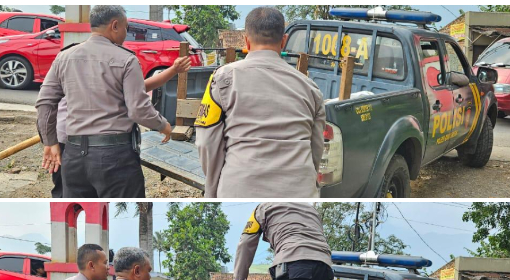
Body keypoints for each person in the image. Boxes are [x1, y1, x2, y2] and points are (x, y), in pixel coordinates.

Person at [36, 5, 172, 198]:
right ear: (114, 25)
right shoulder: (126, 60)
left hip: (73, 157)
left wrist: (50, 142)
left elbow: (45, 103)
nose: (126, 33)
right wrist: (163, 125)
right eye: (126, 27)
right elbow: (138, 110)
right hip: (115, 157)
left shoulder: (64, 57)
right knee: (125, 215)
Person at [195, 7, 326, 198]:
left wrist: (213, 189)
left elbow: (206, 142)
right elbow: (316, 149)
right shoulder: (311, 88)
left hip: (239, 186)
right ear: (284, 41)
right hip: (299, 192)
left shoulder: (222, 79)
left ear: (246, 41)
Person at [49, 57, 192, 198]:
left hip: (73, 144)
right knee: (67, 193)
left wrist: (173, 70)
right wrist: (162, 125)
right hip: (72, 143)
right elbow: (139, 109)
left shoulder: (88, 66)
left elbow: (141, 87)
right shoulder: (89, 69)